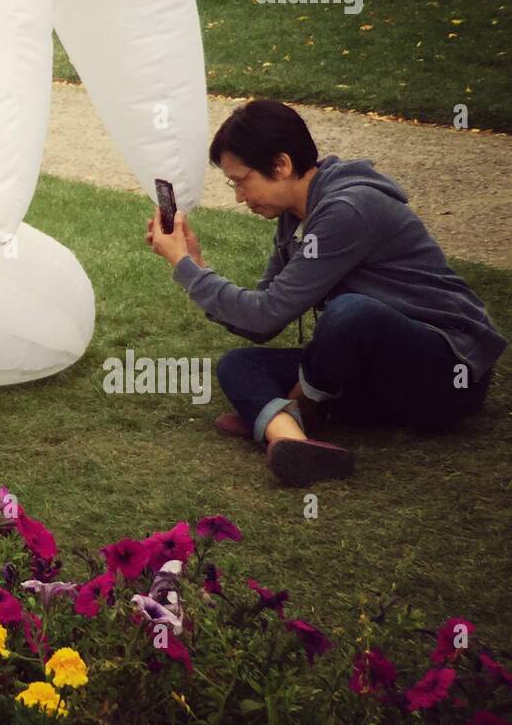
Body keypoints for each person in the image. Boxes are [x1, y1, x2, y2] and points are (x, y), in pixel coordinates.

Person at [146, 98, 506, 487]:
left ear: (281, 165)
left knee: (352, 314)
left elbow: (265, 314)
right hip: (375, 379)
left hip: (443, 379)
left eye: (242, 180)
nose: (238, 196)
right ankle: (291, 441)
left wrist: (185, 269)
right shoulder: (294, 218)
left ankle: (296, 409)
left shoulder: (348, 209)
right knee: (239, 364)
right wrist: (197, 267)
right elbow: (261, 321)